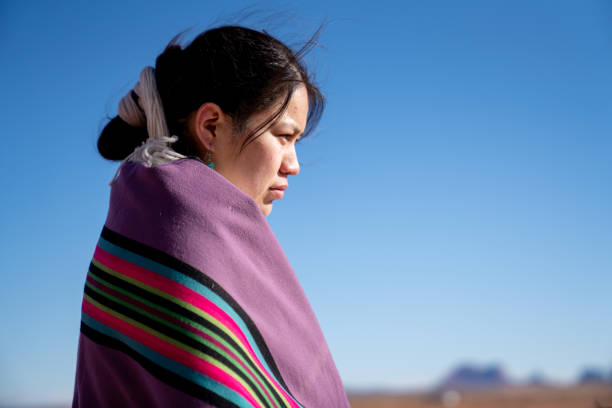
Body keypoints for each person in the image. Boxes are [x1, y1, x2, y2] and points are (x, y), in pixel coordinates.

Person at [72, 25, 350, 407]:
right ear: (211, 127)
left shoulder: (137, 228)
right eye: (284, 137)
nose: (294, 165)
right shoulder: (184, 247)